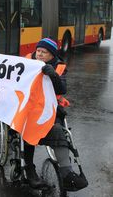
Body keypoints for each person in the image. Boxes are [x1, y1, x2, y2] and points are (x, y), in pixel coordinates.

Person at [24, 37, 88, 191]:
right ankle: (29, 169)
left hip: (49, 108)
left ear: (52, 55)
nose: (39, 54)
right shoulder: (26, 63)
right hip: (28, 108)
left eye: (43, 52)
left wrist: (53, 75)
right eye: (38, 51)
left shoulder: (59, 67)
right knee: (28, 128)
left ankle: (67, 174)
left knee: (59, 130)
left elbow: (61, 90)